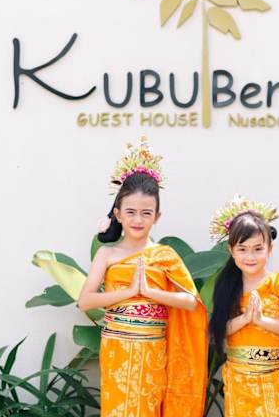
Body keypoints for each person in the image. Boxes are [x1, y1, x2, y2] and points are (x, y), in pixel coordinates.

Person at [78, 137, 207, 417]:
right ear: (118, 214)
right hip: (117, 349)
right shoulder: (107, 254)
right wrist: (128, 292)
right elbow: (85, 301)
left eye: (146, 213)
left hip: (153, 350)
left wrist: (150, 292)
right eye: (131, 212)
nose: (138, 220)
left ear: (157, 216)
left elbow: (190, 302)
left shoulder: (165, 255)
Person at [209, 195, 279, 417]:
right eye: (243, 249)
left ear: (269, 248)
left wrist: (261, 321)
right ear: (231, 250)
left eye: (258, 249)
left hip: (273, 380)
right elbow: (218, 331)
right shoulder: (227, 287)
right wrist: (245, 319)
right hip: (238, 381)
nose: (250, 256)